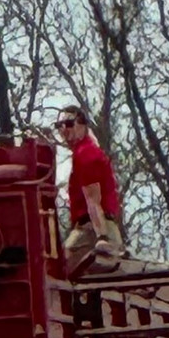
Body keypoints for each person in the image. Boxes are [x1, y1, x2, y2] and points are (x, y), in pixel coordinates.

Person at [57, 105, 125, 275]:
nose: (64, 130)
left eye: (69, 123)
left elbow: (93, 201)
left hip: (91, 231)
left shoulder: (85, 154)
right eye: (59, 126)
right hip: (98, 228)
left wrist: (101, 238)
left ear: (83, 125)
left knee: (56, 269)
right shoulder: (86, 150)